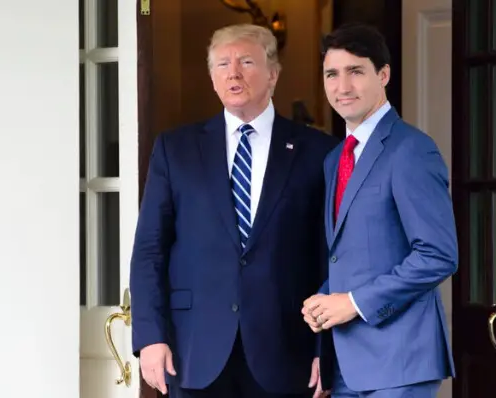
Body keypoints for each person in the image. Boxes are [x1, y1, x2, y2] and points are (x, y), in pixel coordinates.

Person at [129, 23, 339, 398]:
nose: (234, 73)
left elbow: (329, 257)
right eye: (222, 64)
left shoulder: (317, 151)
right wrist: (150, 337)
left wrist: (328, 349)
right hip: (193, 351)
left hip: (287, 351)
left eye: (246, 61)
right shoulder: (175, 149)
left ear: (273, 74)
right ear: (212, 78)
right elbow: (149, 250)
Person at [302, 23, 458, 398]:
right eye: (331, 74)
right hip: (345, 365)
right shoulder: (334, 159)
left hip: (399, 362)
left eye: (356, 72)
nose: (342, 87)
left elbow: (438, 255)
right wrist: (324, 304)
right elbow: (349, 255)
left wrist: (353, 303)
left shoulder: (411, 150)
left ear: (383, 74)